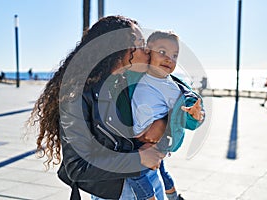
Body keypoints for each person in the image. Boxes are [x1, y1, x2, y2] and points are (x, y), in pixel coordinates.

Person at [27, 15, 166, 200]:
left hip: (149, 179)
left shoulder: (128, 81)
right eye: (140, 43)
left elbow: (178, 97)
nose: (146, 50)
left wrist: (163, 122)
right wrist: (138, 159)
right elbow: (77, 168)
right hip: (120, 190)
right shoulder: (77, 97)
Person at [128, 31, 204, 200]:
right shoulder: (137, 74)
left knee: (134, 173)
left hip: (156, 141)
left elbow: (184, 114)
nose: (169, 59)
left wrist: (195, 115)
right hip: (137, 136)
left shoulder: (171, 87)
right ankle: (174, 196)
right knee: (161, 170)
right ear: (148, 52)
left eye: (175, 55)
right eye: (162, 52)